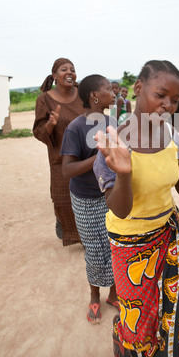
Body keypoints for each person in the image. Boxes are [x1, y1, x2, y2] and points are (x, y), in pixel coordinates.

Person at [94, 60, 179, 357]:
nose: (168, 105)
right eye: (160, 95)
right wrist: (124, 173)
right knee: (138, 323)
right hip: (131, 244)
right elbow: (120, 210)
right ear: (139, 88)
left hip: (169, 237)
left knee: (178, 313)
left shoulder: (174, 138)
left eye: (174, 100)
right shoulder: (113, 142)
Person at [61, 74, 119, 323]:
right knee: (95, 251)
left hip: (112, 194)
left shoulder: (112, 121)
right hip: (86, 199)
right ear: (95, 96)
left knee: (117, 247)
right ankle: (95, 295)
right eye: (108, 89)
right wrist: (99, 155)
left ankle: (114, 294)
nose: (113, 92)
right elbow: (68, 170)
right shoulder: (76, 127)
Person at [33, 58, 84, 245]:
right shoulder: (44, 100)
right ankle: (68, 228)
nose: (70, 72)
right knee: (65, 199)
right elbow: (38, 131)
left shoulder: (84, 94)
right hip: (60, 159)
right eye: (64, 69)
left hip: (86, 157)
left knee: (90, 198)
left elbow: (96, 115)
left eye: (73, 68)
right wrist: (50, 124)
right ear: (54, 75)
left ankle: (90, 237)